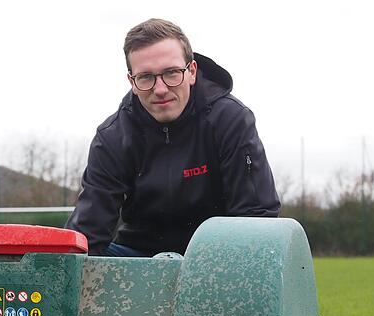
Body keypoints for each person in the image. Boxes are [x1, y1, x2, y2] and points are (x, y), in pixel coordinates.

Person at [66, 18, 280, 256]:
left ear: (192, 72)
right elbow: (87, 235)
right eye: (146, 77)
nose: (160, 89)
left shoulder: (230, 119)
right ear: (132, 82)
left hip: (218, 255)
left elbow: (256, 216)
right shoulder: (112, 137)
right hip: (138, 255)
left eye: (171, 73)